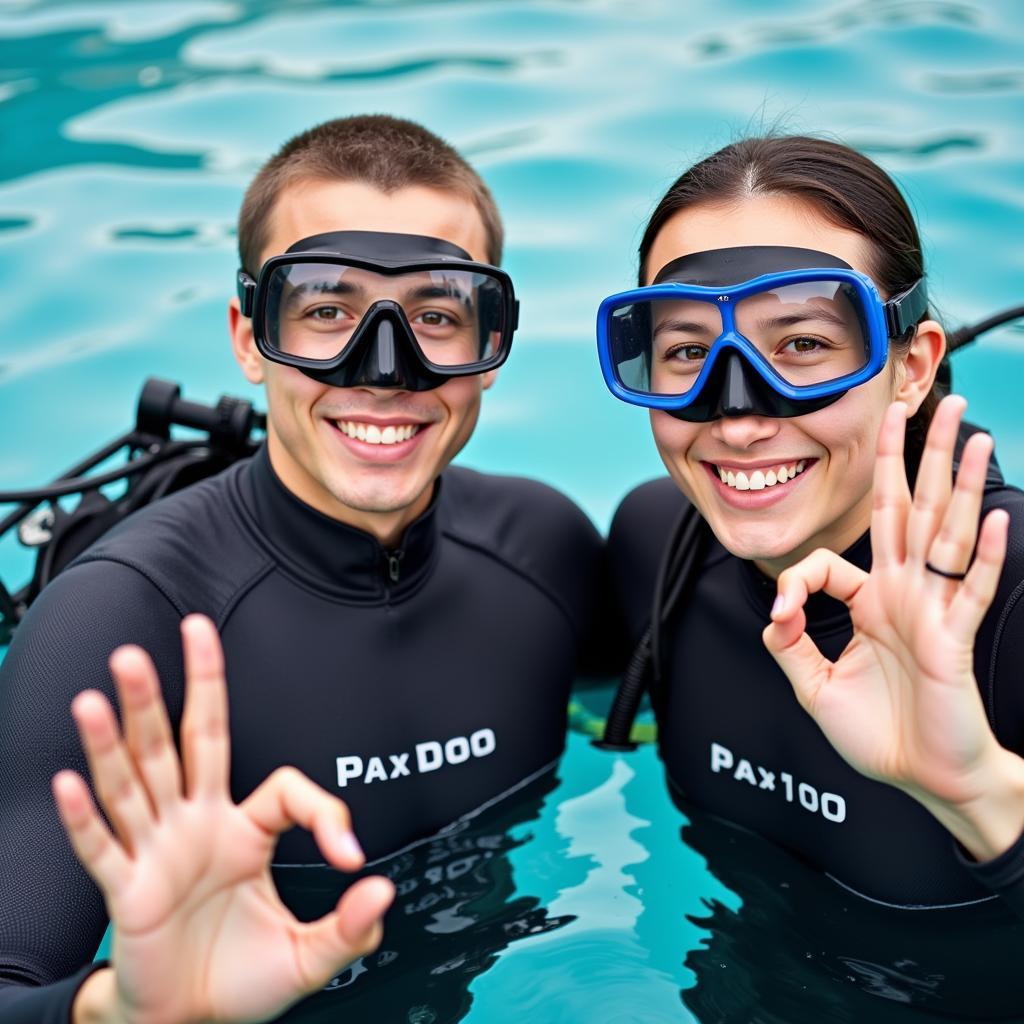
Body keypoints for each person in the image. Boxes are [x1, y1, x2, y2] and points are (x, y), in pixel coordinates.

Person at [0, 115, 607, 1022]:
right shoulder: (117, 627)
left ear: (494, 347)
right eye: (327, 311)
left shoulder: (545, 551)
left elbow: (629, 727)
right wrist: (122, 1010)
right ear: (248, 337)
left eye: (438, 317)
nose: (386, 373)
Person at [601, 135, 1024, 914]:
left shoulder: (1015, 591)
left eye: (802, 345)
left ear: (913, 367)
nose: (738, 416)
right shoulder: (652, 542)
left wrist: (979, 796)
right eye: (688, 350)